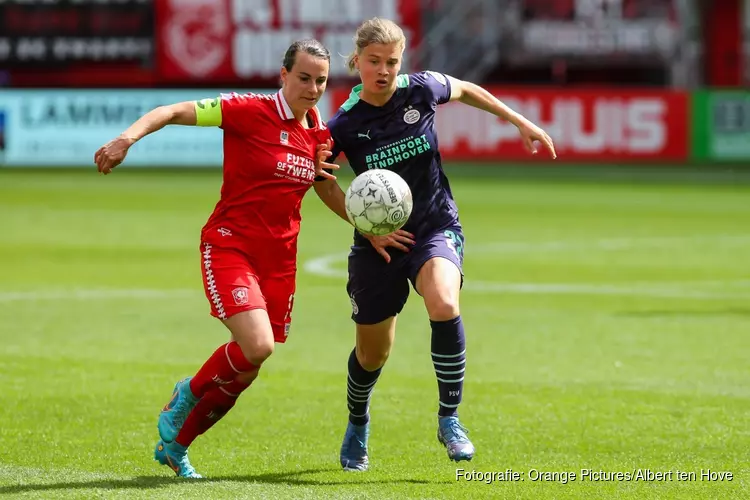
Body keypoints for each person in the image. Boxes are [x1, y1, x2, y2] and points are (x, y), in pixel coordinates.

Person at [314, 18, 556, 471]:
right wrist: (368, 229)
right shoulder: (344, 124)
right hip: (379, 245)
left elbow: (466, 89)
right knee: (372, 354)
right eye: (374, 62)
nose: (383, 70)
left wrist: (520, 122)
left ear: (401, 61)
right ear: (358, 61)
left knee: (444, 302)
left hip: (434, 226)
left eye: (391, 61)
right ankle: (358, 421)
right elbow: (322, 182)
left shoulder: (422, 89)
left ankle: (449, 419)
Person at [94, 39, 336, 478]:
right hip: (230, 245)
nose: (313, 88)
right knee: (256, 345)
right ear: (283, 76)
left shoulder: (318, 129)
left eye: (321, 80)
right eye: (304, 77)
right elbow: (171, 111)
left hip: (280, 259)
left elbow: (323, 187)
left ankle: (177, 447)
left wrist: (369, 228)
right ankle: (186, 392)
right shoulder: (247, 110)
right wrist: (126, 138)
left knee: (249, 367)